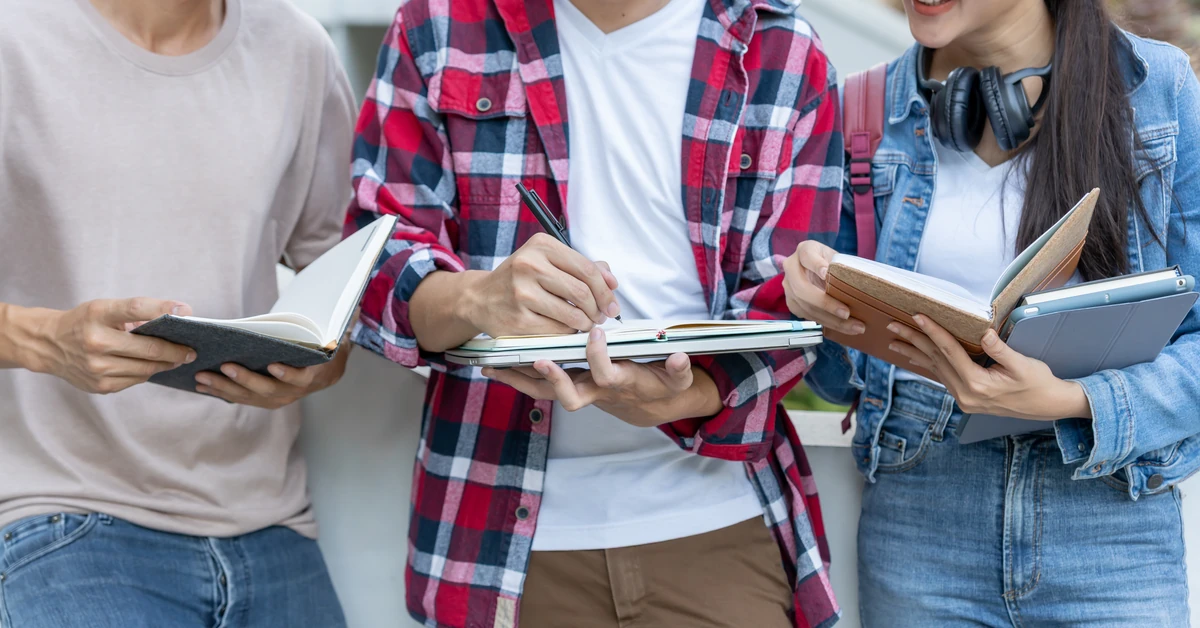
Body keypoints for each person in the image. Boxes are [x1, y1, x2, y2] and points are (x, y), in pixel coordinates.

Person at [343, 0, 844, 624]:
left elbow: (793, 305)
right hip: (491, 539)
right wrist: (478, 297)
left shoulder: (782, 47)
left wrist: (686, 398)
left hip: (718, 525)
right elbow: (372, 266)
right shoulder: (439, 24)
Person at [786, 0, 1199, 624]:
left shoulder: (1160, 91)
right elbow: (834, 382)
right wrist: (816, 310)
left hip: (1110, 524)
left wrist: (1074, 400)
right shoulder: (863, 109)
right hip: (921, 520)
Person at [0, 0, 356, 625]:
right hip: (58, 513)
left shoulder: (300, 50)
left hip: (271, 522)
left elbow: (343, 276)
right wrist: (45, 339)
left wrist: (326, 361)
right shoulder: (14, 35)